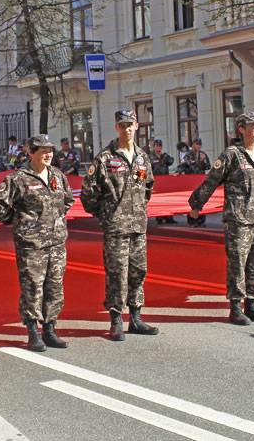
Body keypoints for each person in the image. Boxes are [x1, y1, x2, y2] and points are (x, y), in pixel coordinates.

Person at [0, 134, 75, 351]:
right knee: (33, 286)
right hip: (31, 243)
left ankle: (50, 327)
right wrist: (19, 222)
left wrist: (55, 219)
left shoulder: (57, 175)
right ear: (30, 153)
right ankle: (33, 331)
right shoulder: (18, 178)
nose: (48, 154)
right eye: (42, 150)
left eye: (50, 150)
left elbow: (68, 200)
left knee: (54, 286)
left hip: (56, 242)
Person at [188, 112, 254, 325]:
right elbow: (212, 181)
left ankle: (252, 304)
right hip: (239, 218)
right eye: (252, 125)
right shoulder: (231, 155)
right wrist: (196, 205)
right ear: (241, 129)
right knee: (237, 263)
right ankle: (236, 307)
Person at [80, 110, 158, 341]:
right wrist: (106, 215)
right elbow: (88, 192)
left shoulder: (143, 157)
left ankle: (135, 318)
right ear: (117, 128)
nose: (127, 129)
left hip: (138, 227)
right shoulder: (105, 158)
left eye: (130, 125)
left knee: (138, 272)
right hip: (116, 228)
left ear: (137, 127)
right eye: (122, 125)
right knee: (117, 274)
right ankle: (116, 319)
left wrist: (138, 211)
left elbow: (148, 187)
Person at [150, 139, 177, 225]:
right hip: (157, 181)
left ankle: (169, 217)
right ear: (154, 147)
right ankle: (160, 218)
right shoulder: (151, 157)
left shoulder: (164, 156)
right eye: (157, 146)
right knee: (159, 200)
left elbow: (171, 162)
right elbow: (147, 168)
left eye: (160, 146)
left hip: (165, 181)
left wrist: (163, 155)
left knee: (167, 200)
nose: (158, 148)